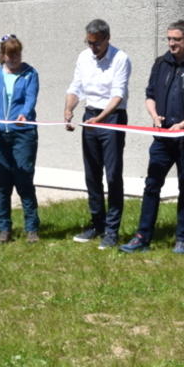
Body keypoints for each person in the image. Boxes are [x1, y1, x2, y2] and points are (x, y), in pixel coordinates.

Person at [120, 20, 184, 255]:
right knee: (152, 185)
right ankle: (142, 236)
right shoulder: (160, 64)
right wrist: (153, 115)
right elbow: (149, 95)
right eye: (169, 39)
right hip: (162, 138)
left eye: (177, 39)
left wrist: (183, 125)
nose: (171, 44)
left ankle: (182, 238)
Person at [64, 18, 131, 249]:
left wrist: (100, 119)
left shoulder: (120, 59)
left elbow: (118, 95)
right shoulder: (84, 58)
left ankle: (112, 231)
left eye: (96, 44)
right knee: (92, 174)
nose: (92, 48)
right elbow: (76, 87)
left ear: (107, 39)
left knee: (112, 175)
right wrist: (69, 109)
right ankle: (97, 224)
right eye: (89, 42)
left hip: (112, 118)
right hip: (90, 116)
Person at [0, 35, 41, 243]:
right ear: (3, 55)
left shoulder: (30, 74)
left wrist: (24, 114)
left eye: (17, 54)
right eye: (10, 54)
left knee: (24, 179)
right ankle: (4, 228)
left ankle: (32, 228)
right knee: (3, 182)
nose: (14, 58)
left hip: (23, 134)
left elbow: (31, 99)